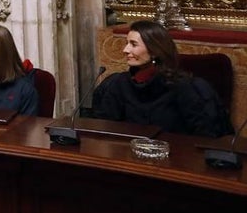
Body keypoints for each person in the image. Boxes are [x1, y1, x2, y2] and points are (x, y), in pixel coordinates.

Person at [94, 20, 232, 137]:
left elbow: (206, 136)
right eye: (127, 43)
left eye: (133, 44)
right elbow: (105, 129)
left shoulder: (185, 88)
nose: (125, 49)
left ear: (154, 51)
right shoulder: (119, 83)